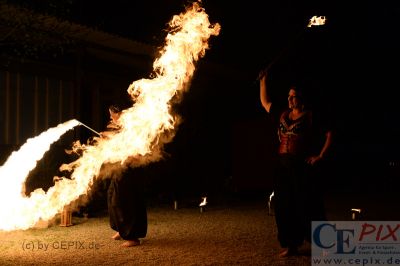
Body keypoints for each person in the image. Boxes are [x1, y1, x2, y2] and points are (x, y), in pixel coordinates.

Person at [259, 71, 333, 257]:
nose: (290, 99)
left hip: (301, 167)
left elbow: (329, 134)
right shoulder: (283, 113)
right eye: (289, 96)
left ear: (301, 98)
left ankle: (323, 246)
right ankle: (291, 245)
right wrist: (263, 82)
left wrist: (320, 156)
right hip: (282, 166)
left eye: (294, 96)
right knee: (284, 207)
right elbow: (265, 103)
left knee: (309, 205)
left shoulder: (310, 116)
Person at [103, 106, 148, 247]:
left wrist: (110, 139)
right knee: (111, 195)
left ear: (120, 114)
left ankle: (132, 237)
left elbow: (131, 147)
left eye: (112, 115)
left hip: (130, 168)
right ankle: (120, 229)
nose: (111, 118)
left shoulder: (133, 126)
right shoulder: (122, 128)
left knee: (124, 201)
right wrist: (107, 138)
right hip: (120, 167)